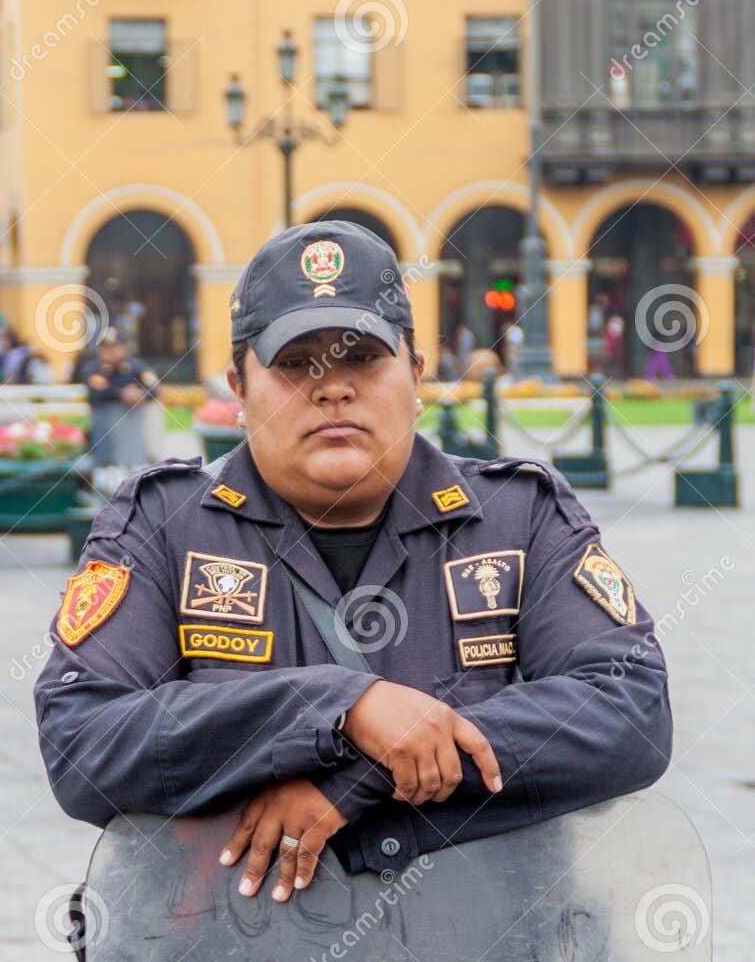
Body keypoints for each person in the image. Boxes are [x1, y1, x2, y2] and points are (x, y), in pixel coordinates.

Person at [34, 219, 670, 900]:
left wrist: (357, 780)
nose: (331, 388)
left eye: (362, 359)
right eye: (292, 364)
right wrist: (338, 706)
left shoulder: (518, 515)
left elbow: (628, 709)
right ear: (238, 392)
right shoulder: (162, 523)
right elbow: (83, 743)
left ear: (416, 375)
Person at [81, 328, 159, 467]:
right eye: (105, 349)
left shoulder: (137, 367)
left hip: (133, 433)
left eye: (114, 348)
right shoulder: (94, 369)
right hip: (104, 431)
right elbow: (96, 391)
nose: (109, 353)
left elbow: (154, 388)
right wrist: (121, 394)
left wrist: (141, 395)